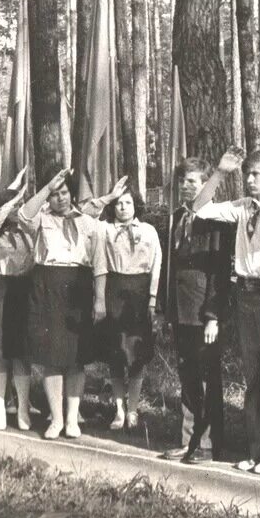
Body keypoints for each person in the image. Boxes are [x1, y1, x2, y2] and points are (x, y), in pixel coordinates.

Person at [193, 146, 260, 475]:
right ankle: (255, 449)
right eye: (247, 174)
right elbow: (200, 207)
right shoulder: (241, 208)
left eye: (257, 175)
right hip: (246, 294)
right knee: (252, 379)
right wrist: (221, 173)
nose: (250, 180)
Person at [18, 167, 107, 439]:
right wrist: (47, 186)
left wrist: (100, 299)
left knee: (75, 358)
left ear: (72, 194)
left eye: (64, 192)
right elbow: (24, 214)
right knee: (51, 357)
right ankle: (55, 419)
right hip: (46, 286)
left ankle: (72, 419)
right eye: (55, 195)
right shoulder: (40, 219)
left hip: (78, 286)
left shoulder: (89, 223)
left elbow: (100, 264)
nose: (60, 198)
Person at [161, 158, 233, 463]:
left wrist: (213, 315)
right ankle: (188, 439)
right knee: (187, 375)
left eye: (193, 181)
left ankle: (207, 443)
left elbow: (219, 269)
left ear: (207, 184)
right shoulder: (177, 216)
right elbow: (170, 267)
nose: (186, 186)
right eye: (183, 181)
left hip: (205, 311)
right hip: (181, 310)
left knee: (206, 377)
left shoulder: (217, 219)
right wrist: (167, 310)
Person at [94, 179, 162, 431]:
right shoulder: (105, 230)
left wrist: (153, 300)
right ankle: (119, 411)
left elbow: (156, 267)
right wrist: (100, 300)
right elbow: (100, 264)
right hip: (114, 292)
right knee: (115, 356)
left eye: (128, 202)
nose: (123, 207)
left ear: (136, 205)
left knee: (136, 357)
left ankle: (133, 410)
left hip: (140, 295)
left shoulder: (149, 231)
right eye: (118, 203)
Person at [0, 175, 34, 431]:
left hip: (23, 290)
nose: (16, 210)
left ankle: (23, 407)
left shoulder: (29, 231)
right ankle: (0, 409)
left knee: (21, 354)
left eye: (19, 205)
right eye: (12, 206)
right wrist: (8, 202)